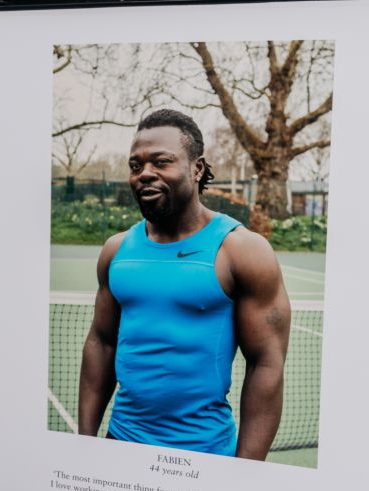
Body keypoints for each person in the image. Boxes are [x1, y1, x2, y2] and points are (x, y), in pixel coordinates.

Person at [78, 109, 290, 460]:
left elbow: (267, 364)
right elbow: (101, 344)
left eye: (161, 162)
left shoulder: (241, 251)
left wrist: (246, 474)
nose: (145, 173)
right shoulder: (117, 251)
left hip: (205, 454)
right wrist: (84, 444)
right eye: (136, 165)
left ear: (197, 168)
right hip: (121, 445)